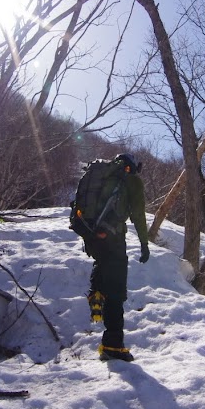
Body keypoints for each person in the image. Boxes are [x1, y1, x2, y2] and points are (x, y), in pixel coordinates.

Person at [83, 153, 150, 361]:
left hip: (91, 234)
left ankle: (95, 294)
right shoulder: (131, 180)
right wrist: (144, 243)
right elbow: (138, 213)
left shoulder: (101, 177)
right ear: (131, 166)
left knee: (101, 264)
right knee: (117, 292)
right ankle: (113, 345)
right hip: (113, 237)